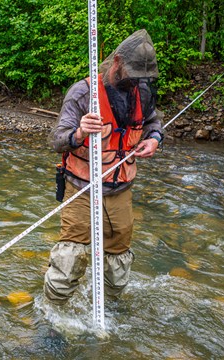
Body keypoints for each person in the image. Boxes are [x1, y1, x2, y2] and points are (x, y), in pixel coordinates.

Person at [44, 29, 164, 304]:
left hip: (121, 190)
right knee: (69, 259)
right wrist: (79, 134)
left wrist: (155, 139)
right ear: (118, 62)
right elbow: (56, 140)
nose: (136, 82)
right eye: (132, 75)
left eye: (142, 78)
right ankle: (53, 316)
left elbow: (153, 123)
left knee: (118, 262)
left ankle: (112, 307)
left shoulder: (142, 92)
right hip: (81, 189)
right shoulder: (83, 92)